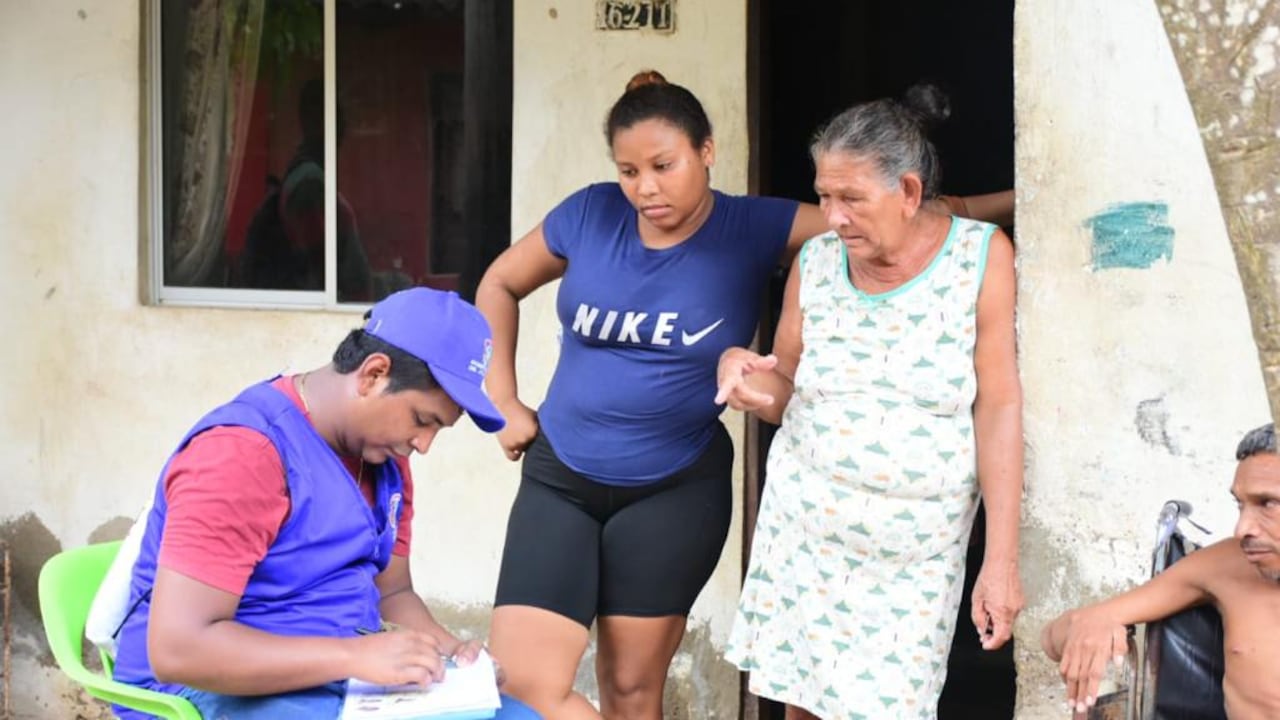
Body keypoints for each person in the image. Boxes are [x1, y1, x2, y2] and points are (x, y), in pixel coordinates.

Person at [475, 70, 1012, 720]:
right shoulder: (590, 213)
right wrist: (502, 401)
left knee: (631, 691)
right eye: (628, 171)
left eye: (663, 166)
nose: (645, 188)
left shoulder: (753, 226)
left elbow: (916, 217)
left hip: (672, 487)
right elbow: (498, 282)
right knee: (520, 688)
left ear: (707, 150)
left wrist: (1027, 196)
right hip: (561, 474)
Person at [715, 85, 1024, 719]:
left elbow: (998, 407)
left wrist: (1000, 561)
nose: (832, 217)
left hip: (914, 560)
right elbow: (783, 390)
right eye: (824, 196)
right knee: (801, 705)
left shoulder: (980, 256)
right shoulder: (817, 262)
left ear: (908, 192)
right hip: (805, 540)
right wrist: (742, 376)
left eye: (850, 198)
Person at [110, 287, 535, 719]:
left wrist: (452, 654)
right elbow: (180, 651)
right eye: (422, 420)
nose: (423, 445)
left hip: (330, 678)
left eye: (438, 429)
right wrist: (354, 657)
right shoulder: (244, 453)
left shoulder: (384, 459)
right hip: (205, 688)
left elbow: (393, 591)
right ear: (373, 374)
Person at [1042, 423, 1280, 719]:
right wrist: (1092, 626)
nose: (1242, 528)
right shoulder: (1231, 565)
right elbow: (1052, 638)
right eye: (1240, 505)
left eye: (1268, 503)